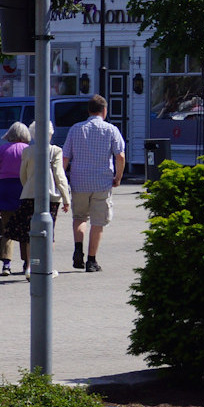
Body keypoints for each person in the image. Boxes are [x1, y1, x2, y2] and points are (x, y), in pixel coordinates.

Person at [63, 94, 125, 273]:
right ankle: (91, 261)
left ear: (89, 111)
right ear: (104, 111)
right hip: (102, 182)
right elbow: (120, 156)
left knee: (80, 217)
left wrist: (62, 179)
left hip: (79, 180)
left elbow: (65, 156)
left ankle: (77, 250)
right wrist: (118, 177)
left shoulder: (76, 129)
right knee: (98, 222)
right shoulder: (111, 130)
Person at [2, 137, 74, 275]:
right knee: (48, 232)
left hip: (30, 194)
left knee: (32, 232)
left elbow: (23, 174)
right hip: (51, 196)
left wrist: (28, 187)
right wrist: (66, 197)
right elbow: (59, 175)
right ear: (51, 134)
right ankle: (46, 266)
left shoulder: (28, 151)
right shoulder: (55, 150)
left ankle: (31, 266)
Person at [0, 122, 32, 260]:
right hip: (24, 191)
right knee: (25, 227)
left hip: (5, 191)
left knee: (7, 228)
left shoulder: (2, 150)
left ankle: (6, 262)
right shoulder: (28, 150)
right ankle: (27, 262)